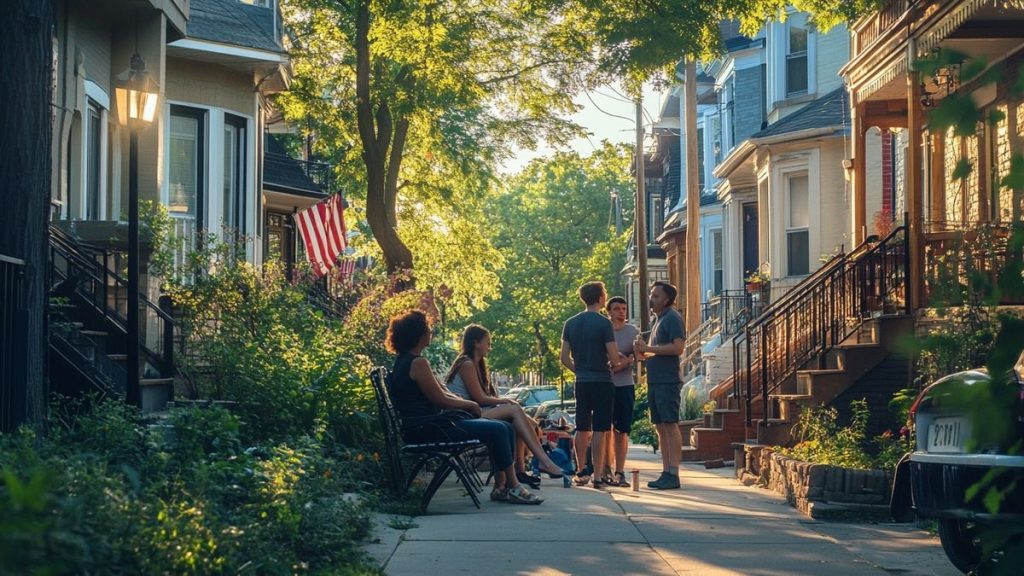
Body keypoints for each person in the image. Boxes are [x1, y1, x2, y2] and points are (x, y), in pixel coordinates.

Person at [385, 310, 543, 504]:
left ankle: (503, 487)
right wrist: (471, 404)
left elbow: (443, 394)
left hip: (425, 426)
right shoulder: (418, 363)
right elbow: (440, 401)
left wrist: (467, 404)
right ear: (418, 334)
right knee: (499, 428)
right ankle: (513, 486)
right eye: (428, 329)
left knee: (504, 427)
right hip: (432, 428)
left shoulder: (404, 362)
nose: (431, 332)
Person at [444, 324, 571, 486]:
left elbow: (484, 398)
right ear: (476, 343)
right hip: (464, 415)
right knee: (515, 412)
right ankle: (543, 461)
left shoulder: (478, 365)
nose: (490, 347)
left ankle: (520, 470)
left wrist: (503, 402)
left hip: (475, 412)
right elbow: (479, 398)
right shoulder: (466, 364)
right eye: (487, 343)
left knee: (527, 422)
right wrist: (504, 401)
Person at [559, 281, 622, 488]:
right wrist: (622, 360)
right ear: (601, 298)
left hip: (582, 381)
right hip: (602, 381)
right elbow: (613, 358)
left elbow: (564, 358)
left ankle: (581, 469)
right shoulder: (605, 324)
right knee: (601, 428)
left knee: (582, 426)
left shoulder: (570, 323)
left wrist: (579, 369)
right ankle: (597, 475)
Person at [634, 281, 686, 490]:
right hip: (656, 380)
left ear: (667, 299)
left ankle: (673, 472)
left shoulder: (672, 318)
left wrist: (648, 347)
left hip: (668, 381)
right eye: (651, 294)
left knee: (670, 424)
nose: (651, 299)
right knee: (660, 426)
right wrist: (643, 352)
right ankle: (665, 471)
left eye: (656, 296)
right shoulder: (658, 320)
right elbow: (657, 349)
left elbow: (678, 347)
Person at [605, 296, 639, 487]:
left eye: (624, 308)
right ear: (608, 311)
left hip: (625, 385)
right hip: (605, 384)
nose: (621, 312)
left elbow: (638, 355)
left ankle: (620, 471)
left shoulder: (633, 331)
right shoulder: (604, 329)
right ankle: (605, 469)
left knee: (622, 430)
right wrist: (616, 362)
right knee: (604, 429)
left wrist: (626, 361)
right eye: (616, 308)